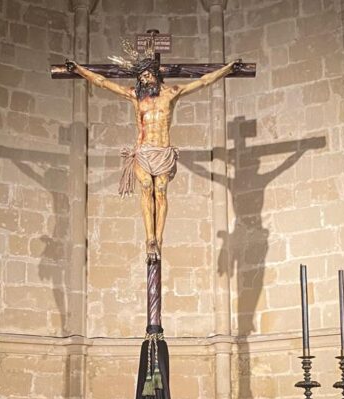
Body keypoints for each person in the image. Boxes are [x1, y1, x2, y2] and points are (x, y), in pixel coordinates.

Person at [66, 56, 242, 261]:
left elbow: (204, 81)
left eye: (147, 74)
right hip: (143, 151)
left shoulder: (171, 94)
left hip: (163, 152)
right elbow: (103, 82)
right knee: (147, 187)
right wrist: (79, 70)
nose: (144, 79)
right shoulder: (135, 96)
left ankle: (159, 239)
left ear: (155, 74)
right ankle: (150, 239)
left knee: (160, 191)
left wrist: (227, 69)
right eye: (141, 76)